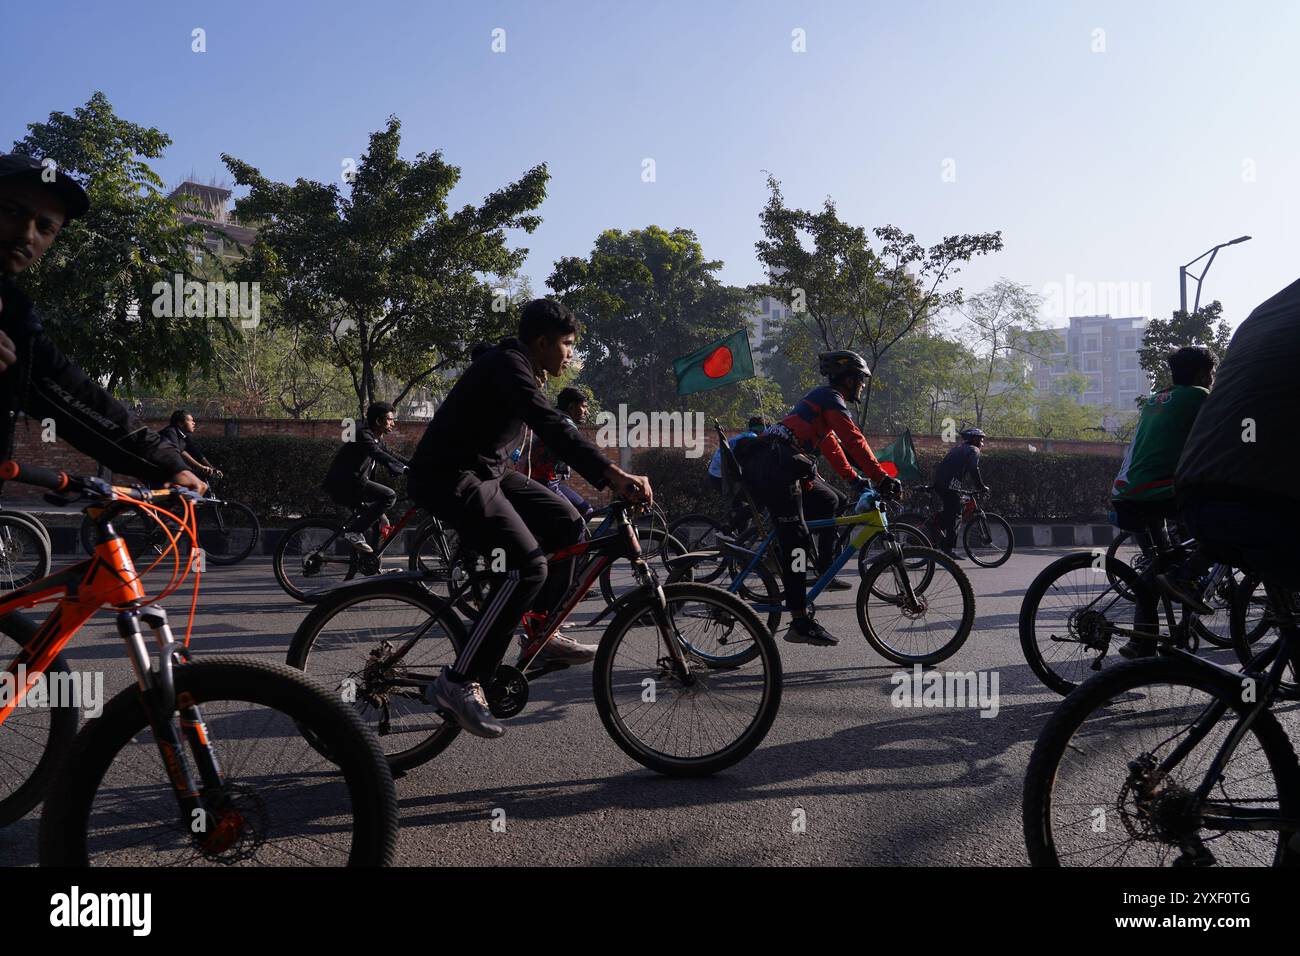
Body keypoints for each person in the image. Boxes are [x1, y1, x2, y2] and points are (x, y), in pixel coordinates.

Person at [407, 299, 652, 738]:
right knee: (527, 566)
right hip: (451, 476)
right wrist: (611, 473)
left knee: (567, 522)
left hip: (489, 474)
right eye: (567, 345)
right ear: (542, 343)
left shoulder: (519, 367)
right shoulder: (509, 365)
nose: (570, 355)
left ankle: (541, 630)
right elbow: (551, 424)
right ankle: (458, 682)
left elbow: (550, 429)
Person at [0, 153, 204, 640]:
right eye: (11, 210)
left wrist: (163, 461)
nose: (28, 234)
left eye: (45, 226)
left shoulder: (15, 318)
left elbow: (73, 395)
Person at [737, 350, 900, 646]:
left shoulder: (823, 406)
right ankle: (799, 620)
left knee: (830, 500)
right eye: (860, 381)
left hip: (784, 465)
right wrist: (880, 476)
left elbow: (834, 448)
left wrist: (855, 480)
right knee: (796, 540)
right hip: (773, 467)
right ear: (848, 379)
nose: (862, 386)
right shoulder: (829, 397)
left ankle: (818, 562)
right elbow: (853, 438)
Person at [1177, 277, 1300, 600]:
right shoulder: (1194, 396)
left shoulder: (1264, 312)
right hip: (1262, 503)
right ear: (1204, 375)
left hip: (1193, 496)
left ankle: (1182, 578)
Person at [1109, 346, 1217, 649]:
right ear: (1199, 374)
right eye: (1210, 373)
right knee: (1223, 531)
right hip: (1157, 491)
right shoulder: (1199, 396)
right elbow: (1225, 434)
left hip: (1126, 491)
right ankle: (1185, 581)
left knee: (1156, 569)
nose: (1212, 379)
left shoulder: (1157, 398)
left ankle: (1143, 644)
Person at [321, 402, 408, 553]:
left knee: (381, 523)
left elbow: (392, 455)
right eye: (390, 419)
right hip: (346, 485)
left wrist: (416, 466)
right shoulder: (363, 435)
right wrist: (399, 468)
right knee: (389, 496)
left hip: (355, 485)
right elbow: (378, 454)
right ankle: (353, 532)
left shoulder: (376, 438)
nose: (393, 423)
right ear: (378, 421)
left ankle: (371, 566)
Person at [518, 386, 595, 520]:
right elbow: (581, 456)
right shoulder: (565, 424)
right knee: (576, 521)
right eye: (584, 407)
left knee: (586, 511)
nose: (587, 412)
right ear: (571, 407)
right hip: (542, 480)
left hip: (548, 479)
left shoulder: (553, 417)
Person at [931, 428, 990, 558]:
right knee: (956, 515)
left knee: (950, 511)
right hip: (949, 484)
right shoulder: (973, 450)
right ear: (974, 439)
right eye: (980, 439)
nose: (982, 442)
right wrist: (981, 486)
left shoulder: (957, 448)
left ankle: (934, 526)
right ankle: (948, 548)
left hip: (943, 483)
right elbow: (973, 469)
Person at [709, 416, 764, 532]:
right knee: (757, 503)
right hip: (721, 475)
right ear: (761, 430)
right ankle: (736, 533)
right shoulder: (751, 440)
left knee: (743, 506)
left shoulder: (744, 436)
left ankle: (737, 532)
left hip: (716, 473)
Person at [159, 409, 222, 482]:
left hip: (170, 469)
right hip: (159, 471)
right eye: (190, 420)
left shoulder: (184, 436)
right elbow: (179, 453)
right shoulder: (170, 432)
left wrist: (212, 468)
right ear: (180, 423)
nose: (194, 423)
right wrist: (201, 467)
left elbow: (196, 453)